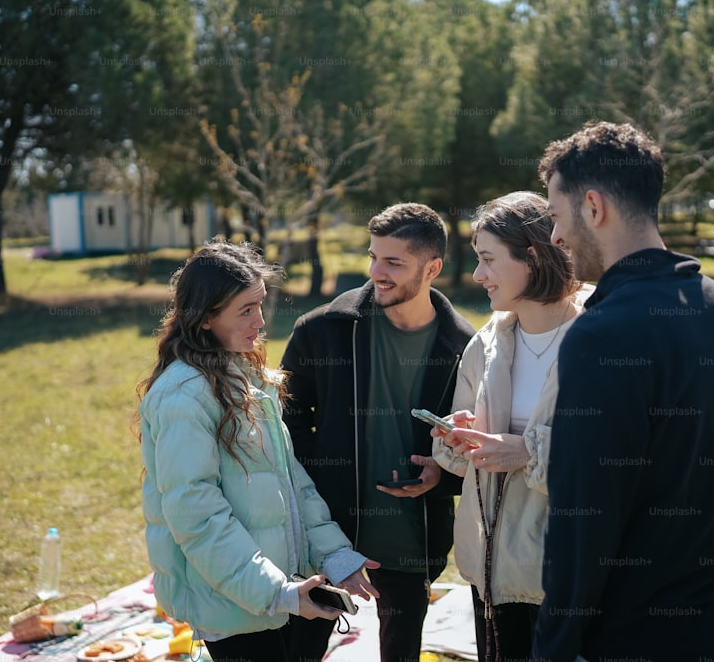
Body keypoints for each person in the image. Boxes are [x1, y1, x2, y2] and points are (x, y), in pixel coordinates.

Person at [531, 122, 714, 662]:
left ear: (593, 206)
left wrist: (551, 650)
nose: (554, 237)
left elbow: (582, 525)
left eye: (554, 215)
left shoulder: (602, 335)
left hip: (641, 640)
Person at [137, 241, 379, 662]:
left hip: (277, 596)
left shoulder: (244, 376)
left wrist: (334, 554)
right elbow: (198, 517)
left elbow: (292, 483)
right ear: (207, 316)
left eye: (261, 305)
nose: (261, 321)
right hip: (234, 607)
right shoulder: (182, 397)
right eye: (246, 310)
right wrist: (275, 592)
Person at [280, 203, 477, 662]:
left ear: (432, 268)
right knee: (300, 653)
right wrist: (319, 480)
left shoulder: (465, 347)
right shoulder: (323, 330)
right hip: (328, 535)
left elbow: (470, 442)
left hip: (414, 540)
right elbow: (284, 417)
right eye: (373, 257)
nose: (376, 272)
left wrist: (440, 477)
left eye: (393, 262)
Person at [430, 191, 591, 662]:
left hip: (568, 576)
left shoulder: (598, 336)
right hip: (494, 575)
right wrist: (459, 435)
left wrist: (528, 452)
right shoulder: (487, 343)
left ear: (534, 256)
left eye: (487, 259)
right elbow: (464, 461)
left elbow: (622, 454)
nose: (478, 275)